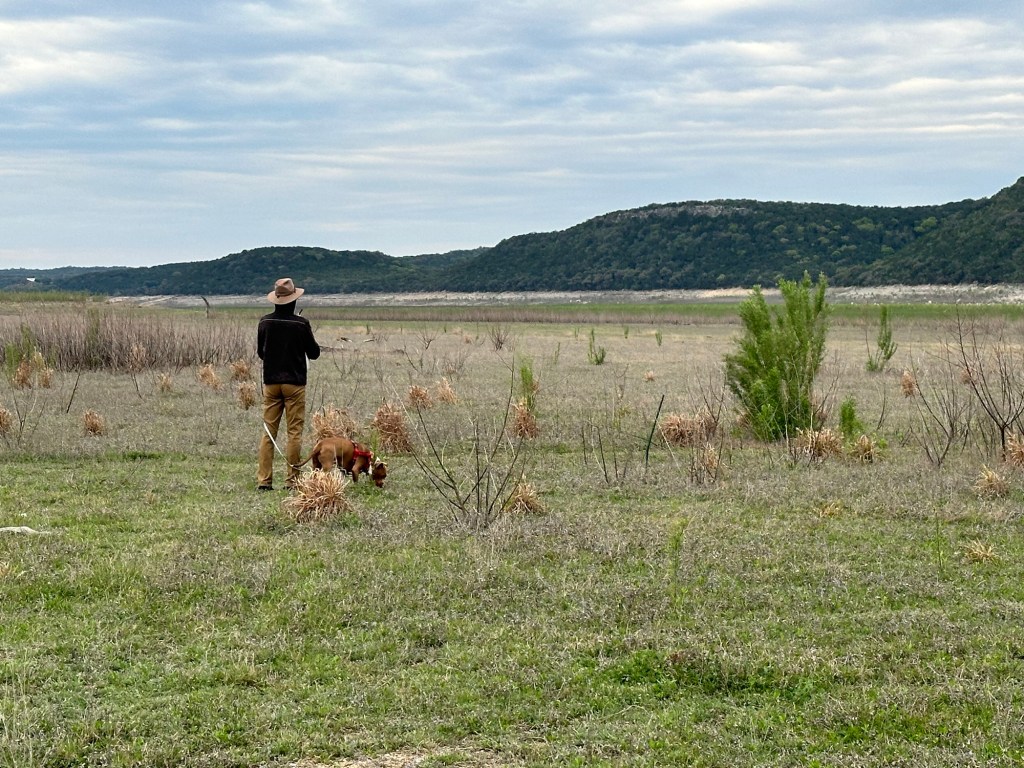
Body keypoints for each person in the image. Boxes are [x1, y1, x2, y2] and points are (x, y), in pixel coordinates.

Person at [256, 277, 321, 490]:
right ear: (294, 301)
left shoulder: (264, 322)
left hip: (271, 383)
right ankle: (292, 480)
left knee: (268, 432)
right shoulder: (301, 324)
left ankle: (264, 480)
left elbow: (261, 353)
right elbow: (314, 353)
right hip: (295, 383)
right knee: (294, 432)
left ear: (275, 299)